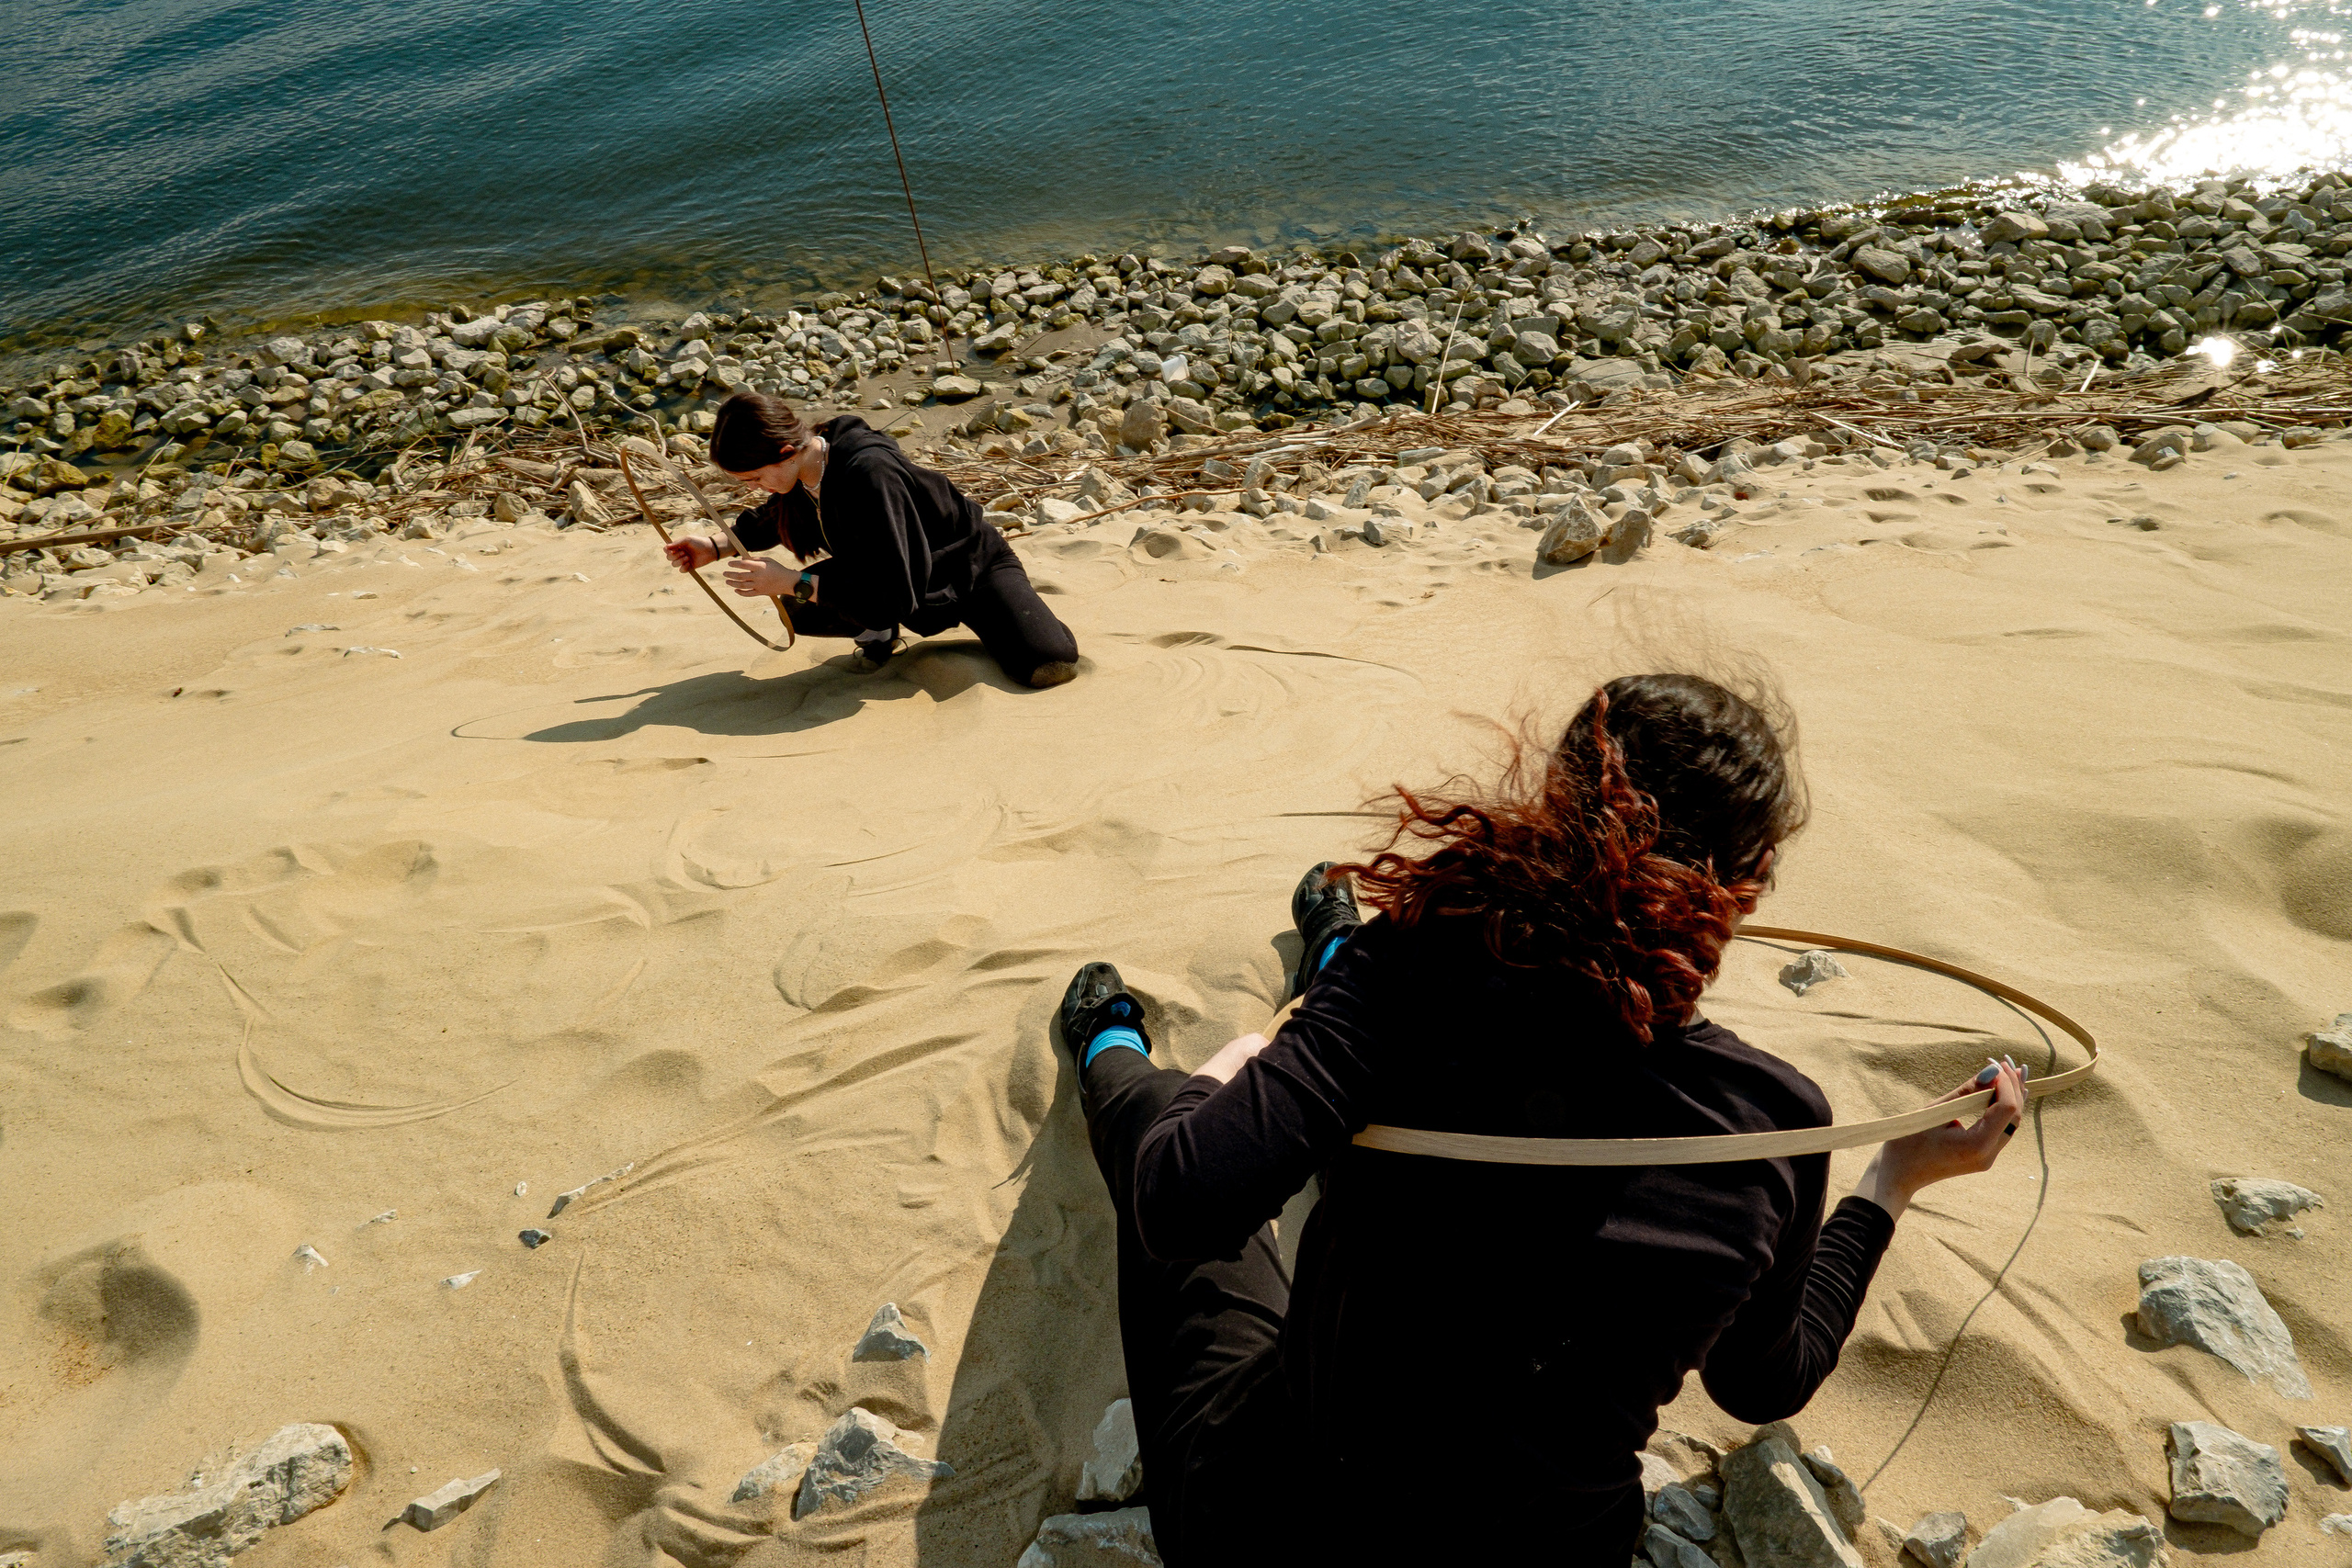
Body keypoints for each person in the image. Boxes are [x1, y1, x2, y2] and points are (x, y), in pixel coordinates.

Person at [1053, 672, 2029, 1565]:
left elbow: (1180, 1202)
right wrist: (1891, 1179)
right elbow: (1762, 1383)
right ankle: (1326, 965)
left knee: (1173, 1141)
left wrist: (1218, 1082)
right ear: (1756, 872)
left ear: (1554, 810)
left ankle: (1112, 1046)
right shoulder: (1771, 1124)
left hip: (1277, 1526)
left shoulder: (1422, 961)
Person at [661, 391, 1081, 687]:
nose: (755, 488)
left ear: (786, 451)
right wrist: (714, 546)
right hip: (891, 577)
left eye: (754, 478)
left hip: (971, 568)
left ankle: (1004, 611)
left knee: (1048, 664)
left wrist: (792, 580)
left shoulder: (869, 473)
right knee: (800, 609)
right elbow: (772, 517)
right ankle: (879, 632)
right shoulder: (803, 469)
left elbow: (895, 594)